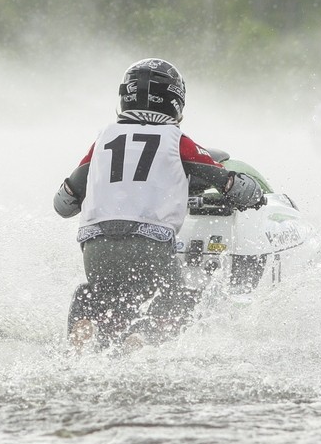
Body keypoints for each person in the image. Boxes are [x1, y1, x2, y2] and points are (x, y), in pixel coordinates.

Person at [53, 58, 263, 351]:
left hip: (95, 245)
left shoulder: (103, 139)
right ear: (175, 101)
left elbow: (64, 203)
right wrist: (253, 195)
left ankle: (81, 333)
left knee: (93, 294)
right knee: (174, 297)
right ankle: (140, 340)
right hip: (148, 243)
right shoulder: (175, 139)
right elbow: (225, 180)